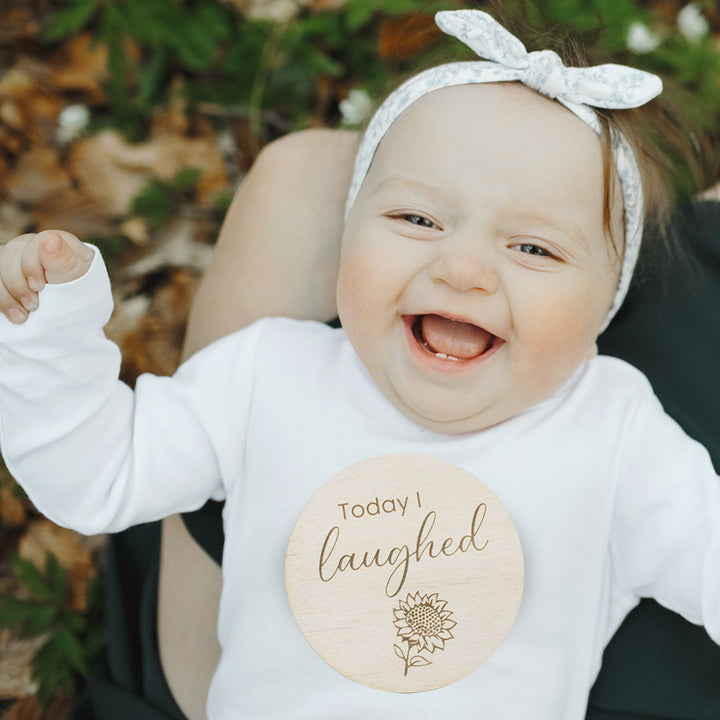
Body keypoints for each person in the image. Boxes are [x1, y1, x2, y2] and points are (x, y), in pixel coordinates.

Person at [0, 9, 719, 719]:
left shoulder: (613, 431)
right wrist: (49, 338)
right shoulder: (270, 376)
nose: (462, 267)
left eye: (533, 249)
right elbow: (98, 474)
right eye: (418, 219)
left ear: (604, 310)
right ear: (345, 234)